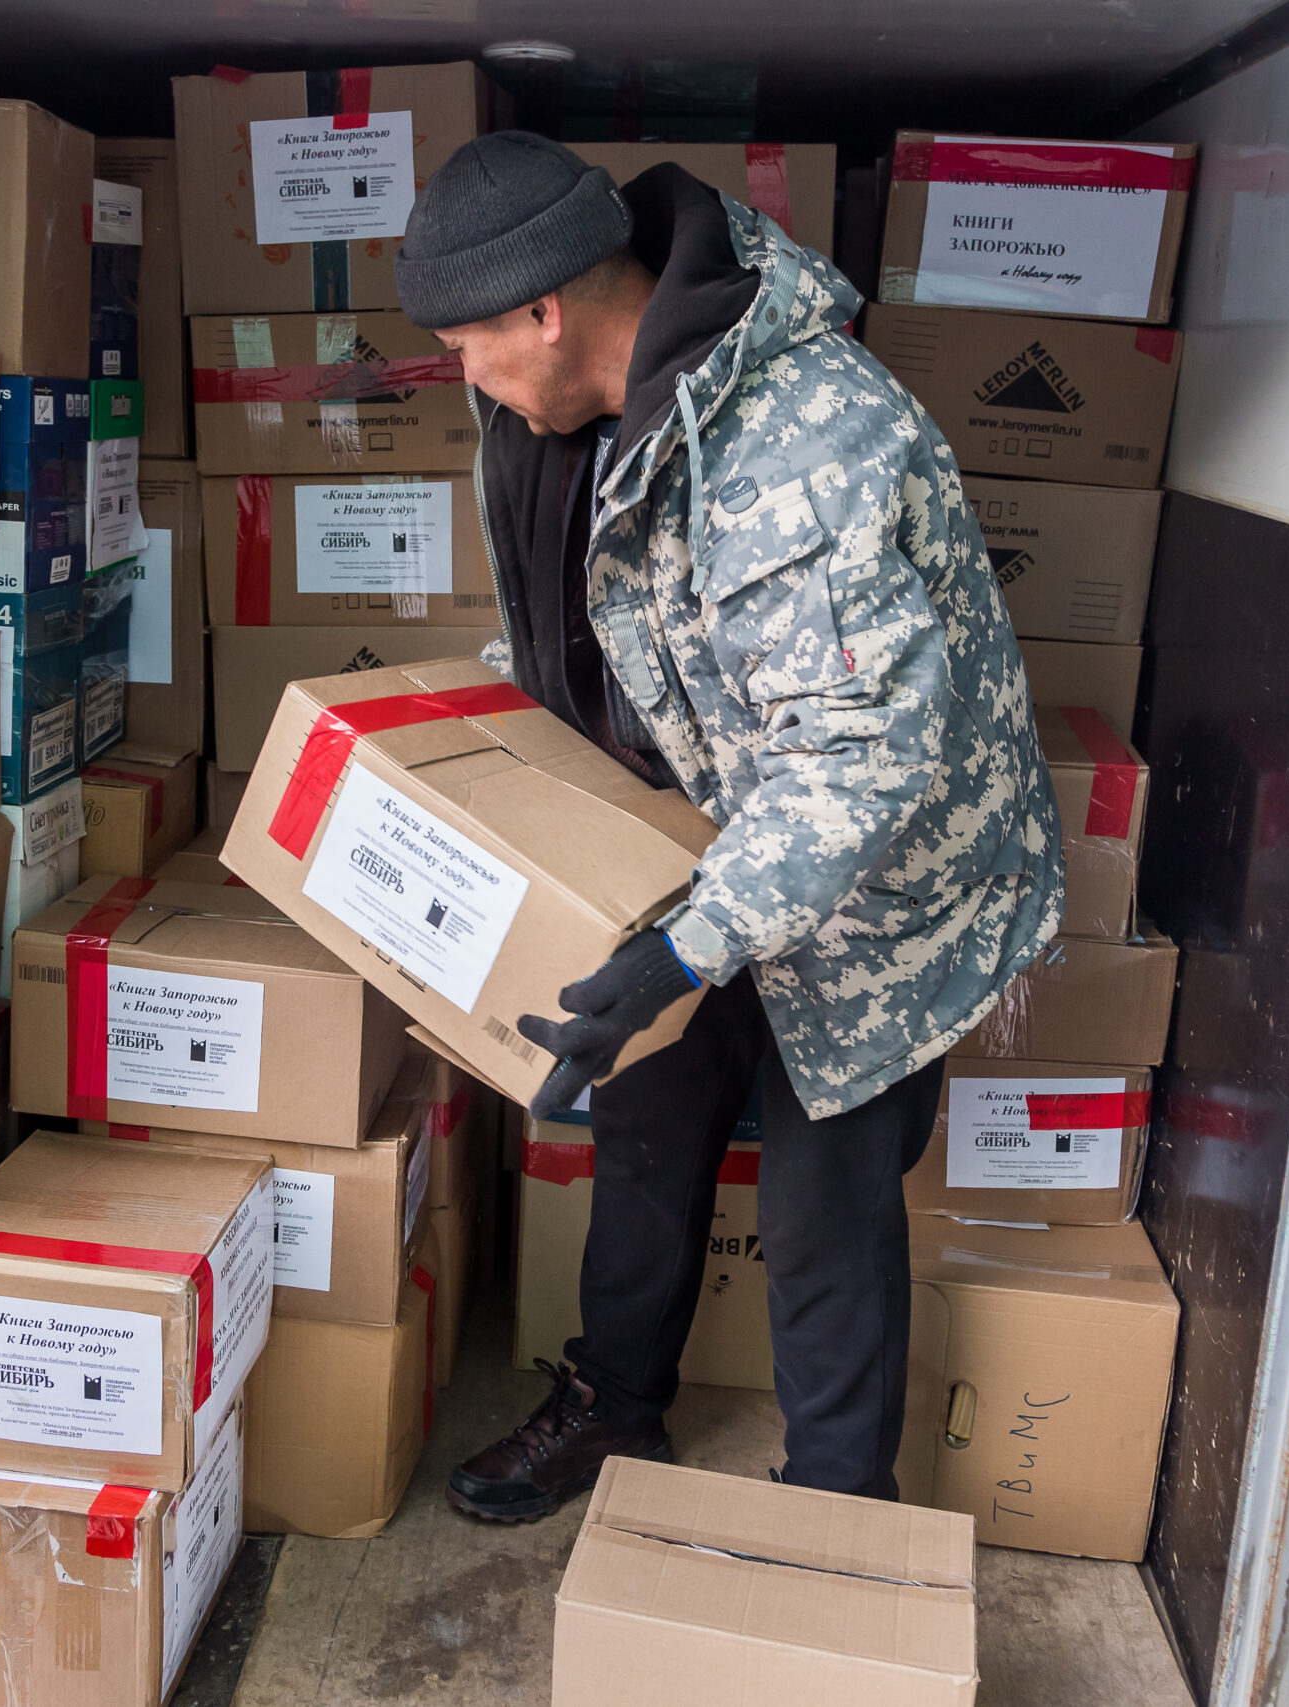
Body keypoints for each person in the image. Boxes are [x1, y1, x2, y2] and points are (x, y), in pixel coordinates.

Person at [396, 136, 1064, 1521]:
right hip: (702, 837)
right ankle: (614, 1405)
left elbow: (864, 756)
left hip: (881, 882)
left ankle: (836, 1515)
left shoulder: (802, 439)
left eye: (470, 343)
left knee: (826, 1218)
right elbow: (612, 627)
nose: (465, 374)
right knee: (643, 1128)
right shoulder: (575, 415)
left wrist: (688, 947)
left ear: (547, 314)